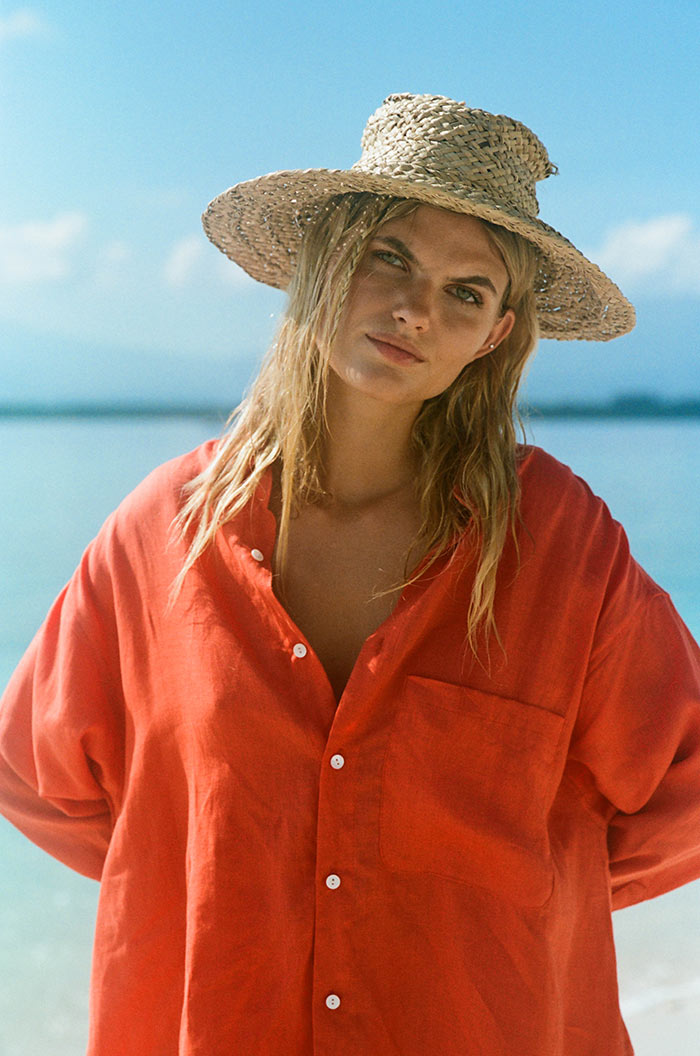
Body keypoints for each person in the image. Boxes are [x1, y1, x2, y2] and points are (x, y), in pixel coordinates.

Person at [0, 92, 699, 1056]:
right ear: (326, 262)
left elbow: (685, 784)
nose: (416, 308)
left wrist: (521, 889)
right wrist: (207, 865)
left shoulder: (560, 541)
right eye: (391, 256)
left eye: (467, 291)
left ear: (495, 334)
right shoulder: (164, 532)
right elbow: (39, 781)